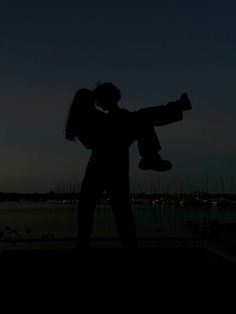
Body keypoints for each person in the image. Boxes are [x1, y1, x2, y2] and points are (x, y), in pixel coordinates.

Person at [65, 84, 191, 261]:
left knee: (97, 212)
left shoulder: (88, 118)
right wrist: (116, 114)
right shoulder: (88, 119)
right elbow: (96, 140)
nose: (95, 105)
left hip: (105, 165)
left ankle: (88, 250)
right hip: (109, 164)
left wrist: (116, 114)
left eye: (96, 102)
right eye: (93, 102)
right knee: (115, 212)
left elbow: (103, 133)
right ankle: (152, 154)